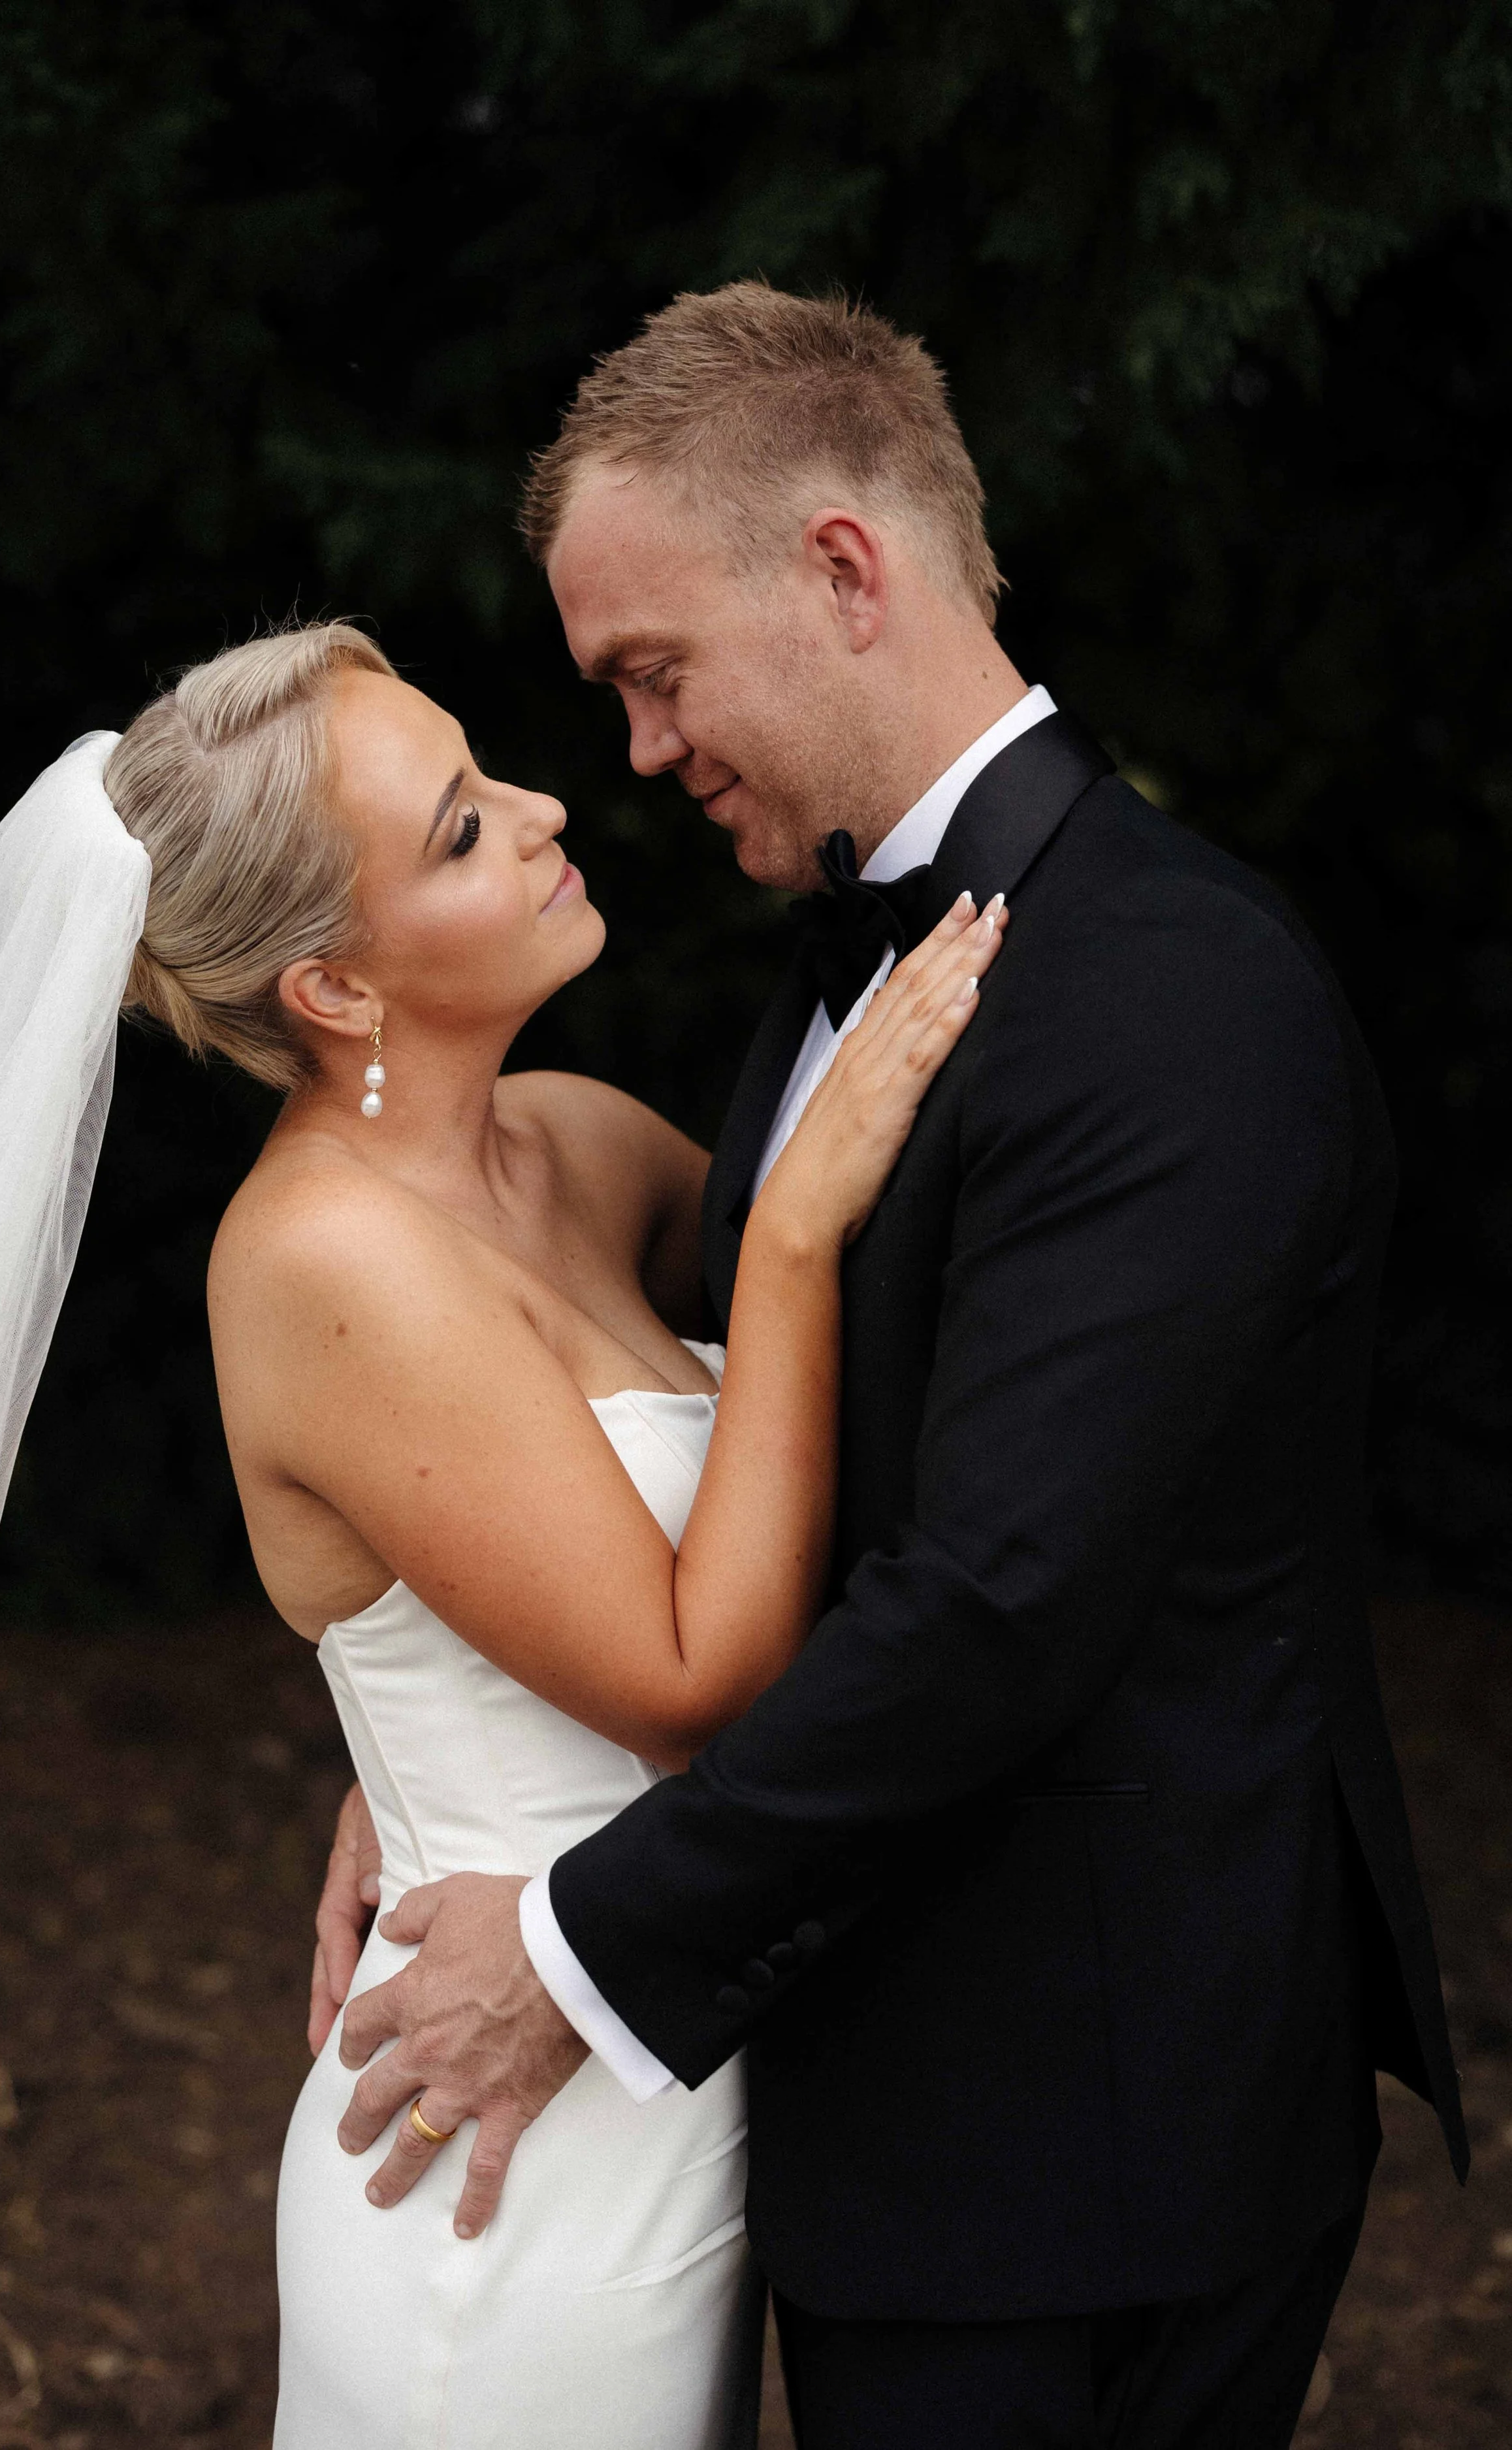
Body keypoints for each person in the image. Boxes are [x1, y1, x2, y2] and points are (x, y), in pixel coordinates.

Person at [315, 284, 1469, 2449]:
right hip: (916, 2102)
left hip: (1090, 2129)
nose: (637, 755)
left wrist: (569, 1942)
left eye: (650, 675)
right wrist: (445, 1733)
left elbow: (996, 1602)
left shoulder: (1164, 990)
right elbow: (708, 1421)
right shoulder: (864, 954)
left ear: (840, 569)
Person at [114, 621, 1001, 2445]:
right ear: (334, 992)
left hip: (677, 2068)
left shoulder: (575, 1141)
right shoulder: (321, 1259)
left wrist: (400, 1738)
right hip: (505, 2183)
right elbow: (687, 1686)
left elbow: (847, 1410)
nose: (541, 810)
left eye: (487, 773)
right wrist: (783, 1240)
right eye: (455, 832)